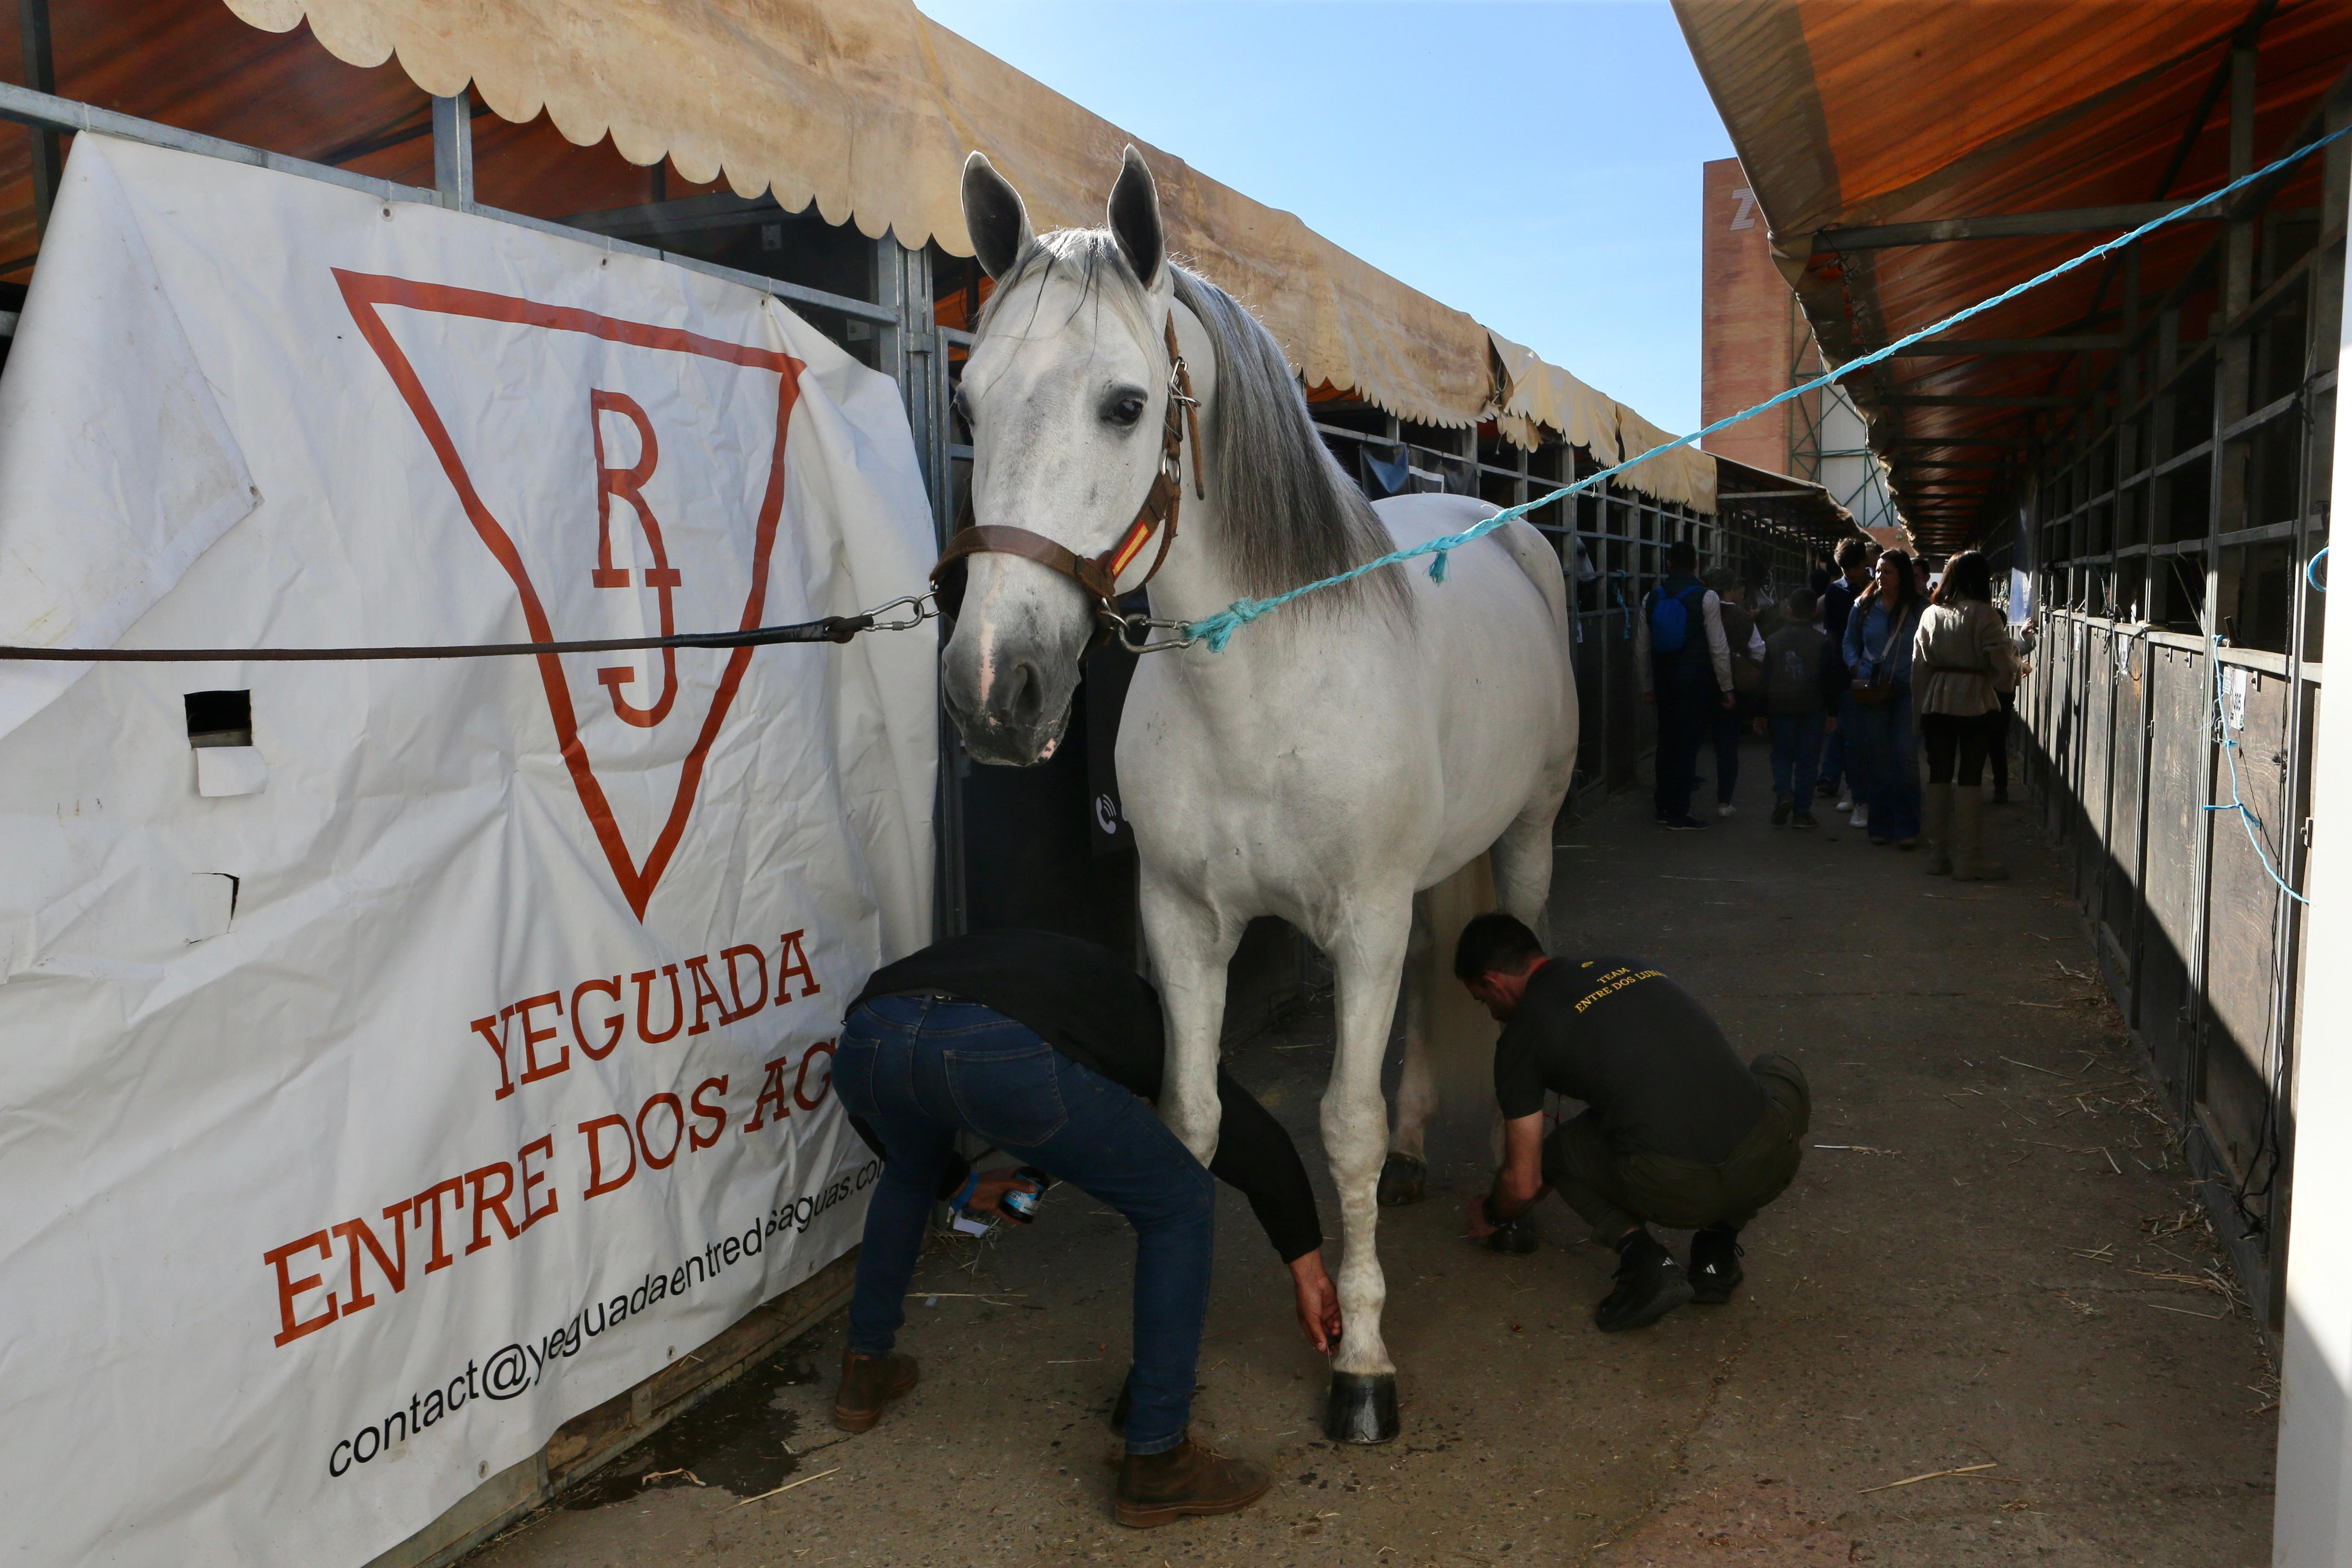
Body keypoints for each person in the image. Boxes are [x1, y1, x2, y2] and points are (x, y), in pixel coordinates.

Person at [831, 929, 1335, 1527]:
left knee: (909, 1170)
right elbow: (1244, 1131)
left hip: (869, 1034)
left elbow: (875, 1123)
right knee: (1179, 1199)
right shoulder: (1134, 1010)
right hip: (999, 1050)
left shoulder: (1010, 962)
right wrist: (1307, 1265)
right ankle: (1158, 1458)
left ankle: (864, 1371)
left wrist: (959, 1185)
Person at [1453, 915, 1810, 1330]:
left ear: (1494, 983)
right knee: (1774, 1069)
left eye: (1484, 1001)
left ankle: (1646, 1262)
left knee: (1557, 1153)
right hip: (1768, 1162)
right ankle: (1717, 1251)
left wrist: (1496, 1213)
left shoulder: (1520, 1038)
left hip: (1679, 1189)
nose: (1494, 1015)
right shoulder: (1630, 966)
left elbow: (1524, 1183)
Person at [1912, 550, 2025, 879]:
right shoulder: (1986, 616)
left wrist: (1917, 712)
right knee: (1971, 776)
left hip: (1936, 700)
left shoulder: (1931, 614)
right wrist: (2011, 675)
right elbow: (2002, 666)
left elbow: (1919, 669)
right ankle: (1969, 858)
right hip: (1975, 700)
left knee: (1938, 774)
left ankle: (1937, 856)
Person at [1636, 539, 1734, 830]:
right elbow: (1719, 647)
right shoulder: (1707, 598)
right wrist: (1726, 687)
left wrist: (1646, 684)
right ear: (1696, 565)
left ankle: (1662, 805)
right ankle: (1679, 811)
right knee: (1688, 746)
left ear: (1668, 565)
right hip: (1695, 683)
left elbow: (1642, 647)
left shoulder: (1651, 598)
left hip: (1664, 681)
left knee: (1666, 742)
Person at [1843, 547, 1926, 849]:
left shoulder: (1920, 608)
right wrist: (1856, 666)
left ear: (1902, 575)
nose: (1879, 577)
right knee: (1877, 757)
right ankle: (1880, 825)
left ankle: (1908, 828)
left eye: (1887, 571)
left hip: (1907, 689)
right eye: (1877, 571)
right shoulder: (1863, 606)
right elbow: (1849, 642)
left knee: (1904, 757)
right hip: (1873, 690)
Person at [1762, 588, 1841, 827]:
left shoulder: (1774, 640)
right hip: (1812, 707)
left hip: (1779, 706)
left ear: (1789, 610)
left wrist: (1759, 712)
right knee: (1808, 759)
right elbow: (1829, 680)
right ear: (1814, 612)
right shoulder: (1822, 643)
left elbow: (1765, 679)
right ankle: (1802, 812)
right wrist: (1833, 712)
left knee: (1782, 754)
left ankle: (1784, 793)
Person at [1818, 539, 1876, 823]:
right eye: (1844, 569)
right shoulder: (1835, 591)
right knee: (1851, 735)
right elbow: (1832, 635)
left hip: (1875, 669)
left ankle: (1862, 792)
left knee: (1868, 736)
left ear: (1863, 564)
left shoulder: (1877, 589)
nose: (1849, 574)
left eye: (1853, 568)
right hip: (1846, 671)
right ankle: (1855, 791)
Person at [1703, 567, 1765, 818]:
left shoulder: (1696, 610)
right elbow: (1759, 652)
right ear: (1729, 590)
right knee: (1727, 745)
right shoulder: (1742, 617)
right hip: (1730, 691)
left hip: (1697, 685)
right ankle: (1724, 801)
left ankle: (1679, 798)